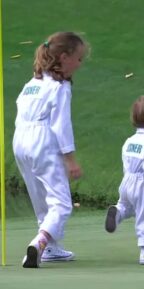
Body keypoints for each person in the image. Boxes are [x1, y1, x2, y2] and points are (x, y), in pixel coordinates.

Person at [12, 32, 89, 268]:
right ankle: (40, 242)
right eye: (78, 58)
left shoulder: (32, 83)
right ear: (64, 57)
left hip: (21, 141)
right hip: (43, 141)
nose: (79, 64)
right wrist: (71, 159)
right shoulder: (60, 86)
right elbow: (60, 125)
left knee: (40, 198)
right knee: (61, 203)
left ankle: (52, 248)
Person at [105, 95, 144, 264]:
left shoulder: (130, 141)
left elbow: (126, 160)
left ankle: (117, 212)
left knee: (128, 205)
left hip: (127, 180)